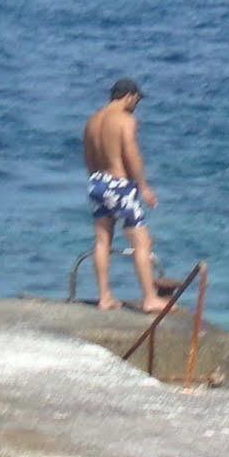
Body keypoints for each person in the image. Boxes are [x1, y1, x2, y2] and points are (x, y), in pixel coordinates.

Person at [82, 78, 162, 313]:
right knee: (142, 242)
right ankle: (150, 298)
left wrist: (99, 182)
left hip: (97, 182)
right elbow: (130, 152)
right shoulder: (125, 119)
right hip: (120, 185)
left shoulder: (92, 121)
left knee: (102, 240)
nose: (137, 103)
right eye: (137, 99)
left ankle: (104, 297)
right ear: (129, 96)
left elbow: (88, 157)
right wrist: (144, 187)